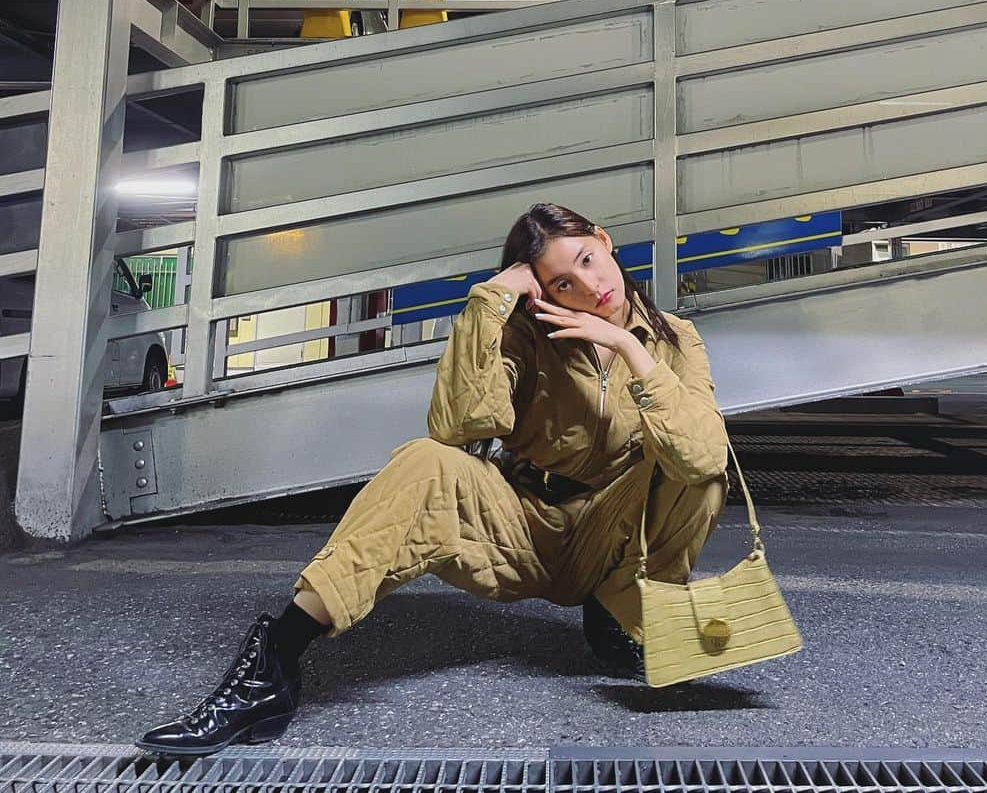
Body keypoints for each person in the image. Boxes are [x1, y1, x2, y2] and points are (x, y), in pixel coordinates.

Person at [138, 202, 730, 755]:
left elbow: (703, 458)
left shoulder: (676, 340)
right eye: (560, 285)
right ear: (539, 292)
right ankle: (274, 667)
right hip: (525, 526)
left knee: (696, 469)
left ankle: (621, 611)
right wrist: (490, 305)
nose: (588, 287)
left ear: (603, 242)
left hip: (614, 532)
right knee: (427, 460)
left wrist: (630, 347)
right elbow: (460, 426)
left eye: (586, 260)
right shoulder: (526, 334)